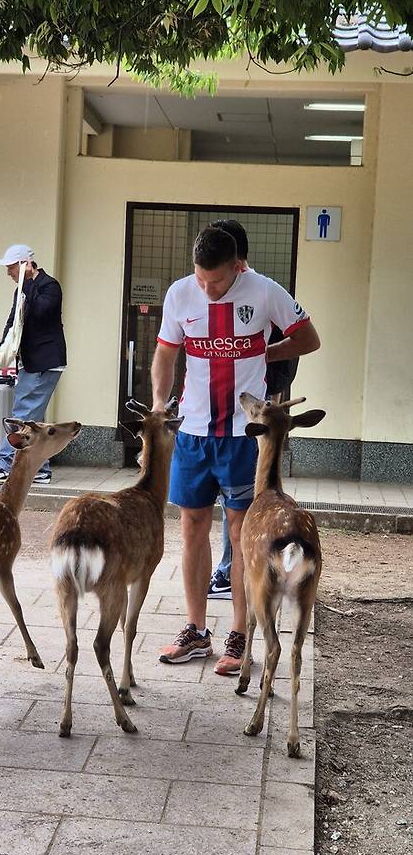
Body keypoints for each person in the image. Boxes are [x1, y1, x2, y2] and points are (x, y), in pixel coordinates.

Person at [151, 226, 320, 674]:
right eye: (201, 279)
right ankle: (195, 630)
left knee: (242, 531)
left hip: (244, 436)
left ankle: (240, 634)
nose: (208, 289)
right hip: (193, 432)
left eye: (218, 281)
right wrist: (158, 403)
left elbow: (309, 338)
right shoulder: (180, 294)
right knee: (191, 526)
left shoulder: (264, 291)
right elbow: (165, 354)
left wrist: (265, 352)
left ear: (238, 266)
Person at [207, 219, 300, 600]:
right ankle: (232, 569)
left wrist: (262, 365)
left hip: (253, 416)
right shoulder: (213, 293)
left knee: (243, 498)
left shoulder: (263, 294)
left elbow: (293, 347)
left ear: (236, 258)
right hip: (216, 417)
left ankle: (233, 571)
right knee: (230, 497)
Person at [0, 243, 67, 486]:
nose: (8, 273)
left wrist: (27, 283)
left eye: (11, 267)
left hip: (45, 361)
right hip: (31, 361)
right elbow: (12, 320)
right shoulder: (22, 290)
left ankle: (6, 464)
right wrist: (3, 349)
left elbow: (41, 312)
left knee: (24, 414)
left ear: (25, 264)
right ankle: (40, 469)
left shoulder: (49, 286)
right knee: (33, 418)